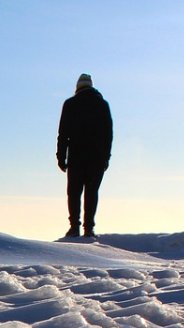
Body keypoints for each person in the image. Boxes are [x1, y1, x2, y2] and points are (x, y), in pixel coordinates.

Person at [56, 73, 113, 239]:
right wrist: (106, 157)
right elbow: (108, 134)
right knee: (91, 192)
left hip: (76, 156)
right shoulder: (102, 104)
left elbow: (63, 134)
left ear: (77, 87)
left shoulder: (70, 104)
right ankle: (89, 228)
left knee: (74, 192)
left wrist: (61, 157)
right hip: (97, 157)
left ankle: (74, 227)